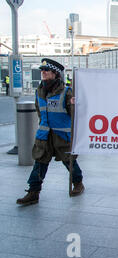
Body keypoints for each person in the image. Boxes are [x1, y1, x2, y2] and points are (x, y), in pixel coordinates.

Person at [16, 58, 85, 206]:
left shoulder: (67, 91)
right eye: (42, 70)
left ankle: (78, 182)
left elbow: (75, 114)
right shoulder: (39, 91)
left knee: (70, 162)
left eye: (46, 70)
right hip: (44, 136)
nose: (43, 73)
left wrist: (74, 104)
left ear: (55, 73)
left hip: (62, 136)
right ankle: (33, 192)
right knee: (40, 163)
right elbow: (39, 111)